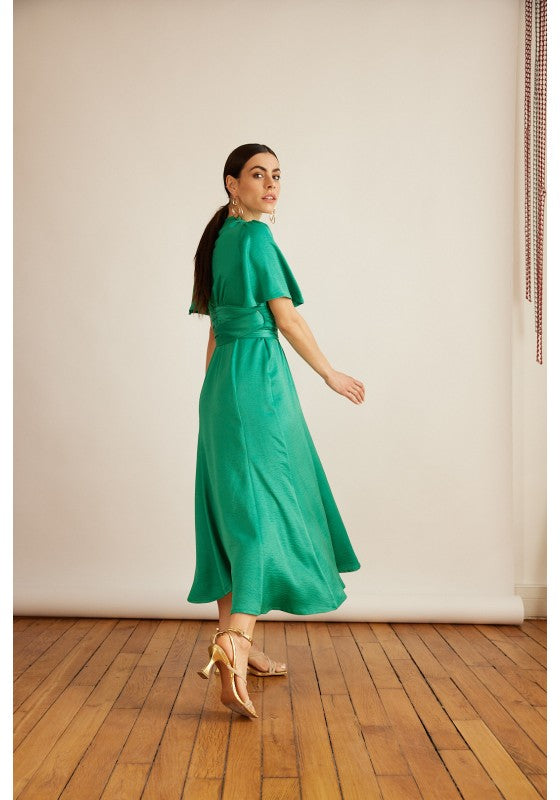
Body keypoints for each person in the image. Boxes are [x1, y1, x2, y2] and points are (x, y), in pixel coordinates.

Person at [187, 143, 365, 719]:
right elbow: (285, 317)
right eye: (258, 175)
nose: (271, 185)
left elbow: (215, 329)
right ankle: (235, 642)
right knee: (264, 509)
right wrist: (330, 373)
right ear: (231, 183)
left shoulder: (216, 241)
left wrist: (211, 395)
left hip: (223, 385)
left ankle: (241, 641)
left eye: (277, 176)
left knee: (230, 511)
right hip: (258, 382)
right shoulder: (256, 238)